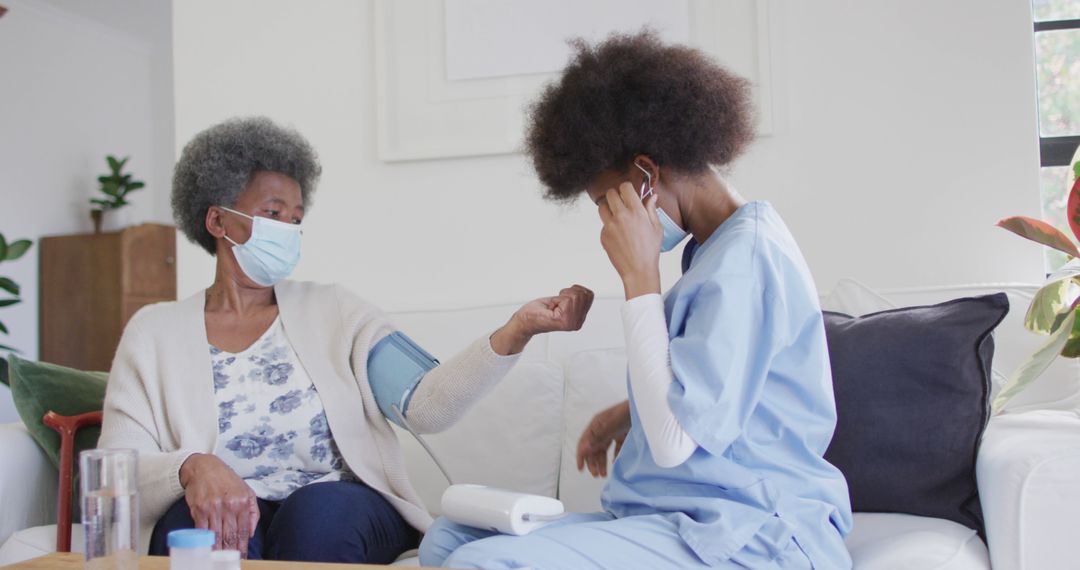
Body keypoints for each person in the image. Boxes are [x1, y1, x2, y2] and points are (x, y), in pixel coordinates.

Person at [419, 31, 853, 569]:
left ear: (646, 173)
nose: (604, 218)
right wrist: (628, 414)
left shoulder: (748, 259)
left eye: (605, 200)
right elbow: (731, 387)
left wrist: (639, 274)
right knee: (450, 540)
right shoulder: (713, 252)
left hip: (752, 530)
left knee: (480, 563)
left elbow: (675, 443)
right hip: (680, 519)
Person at [98, 116, 594, 563]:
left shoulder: (335, 310)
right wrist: (191, 466)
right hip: (223, 508)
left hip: (337, 503)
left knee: (318, 514)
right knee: (193, 527)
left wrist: (517, 330)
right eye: (273, 213)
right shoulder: (153, 332)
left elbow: (427, 405)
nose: (289, 230)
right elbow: (119, 466)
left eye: (295, 219)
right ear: (218, 220)